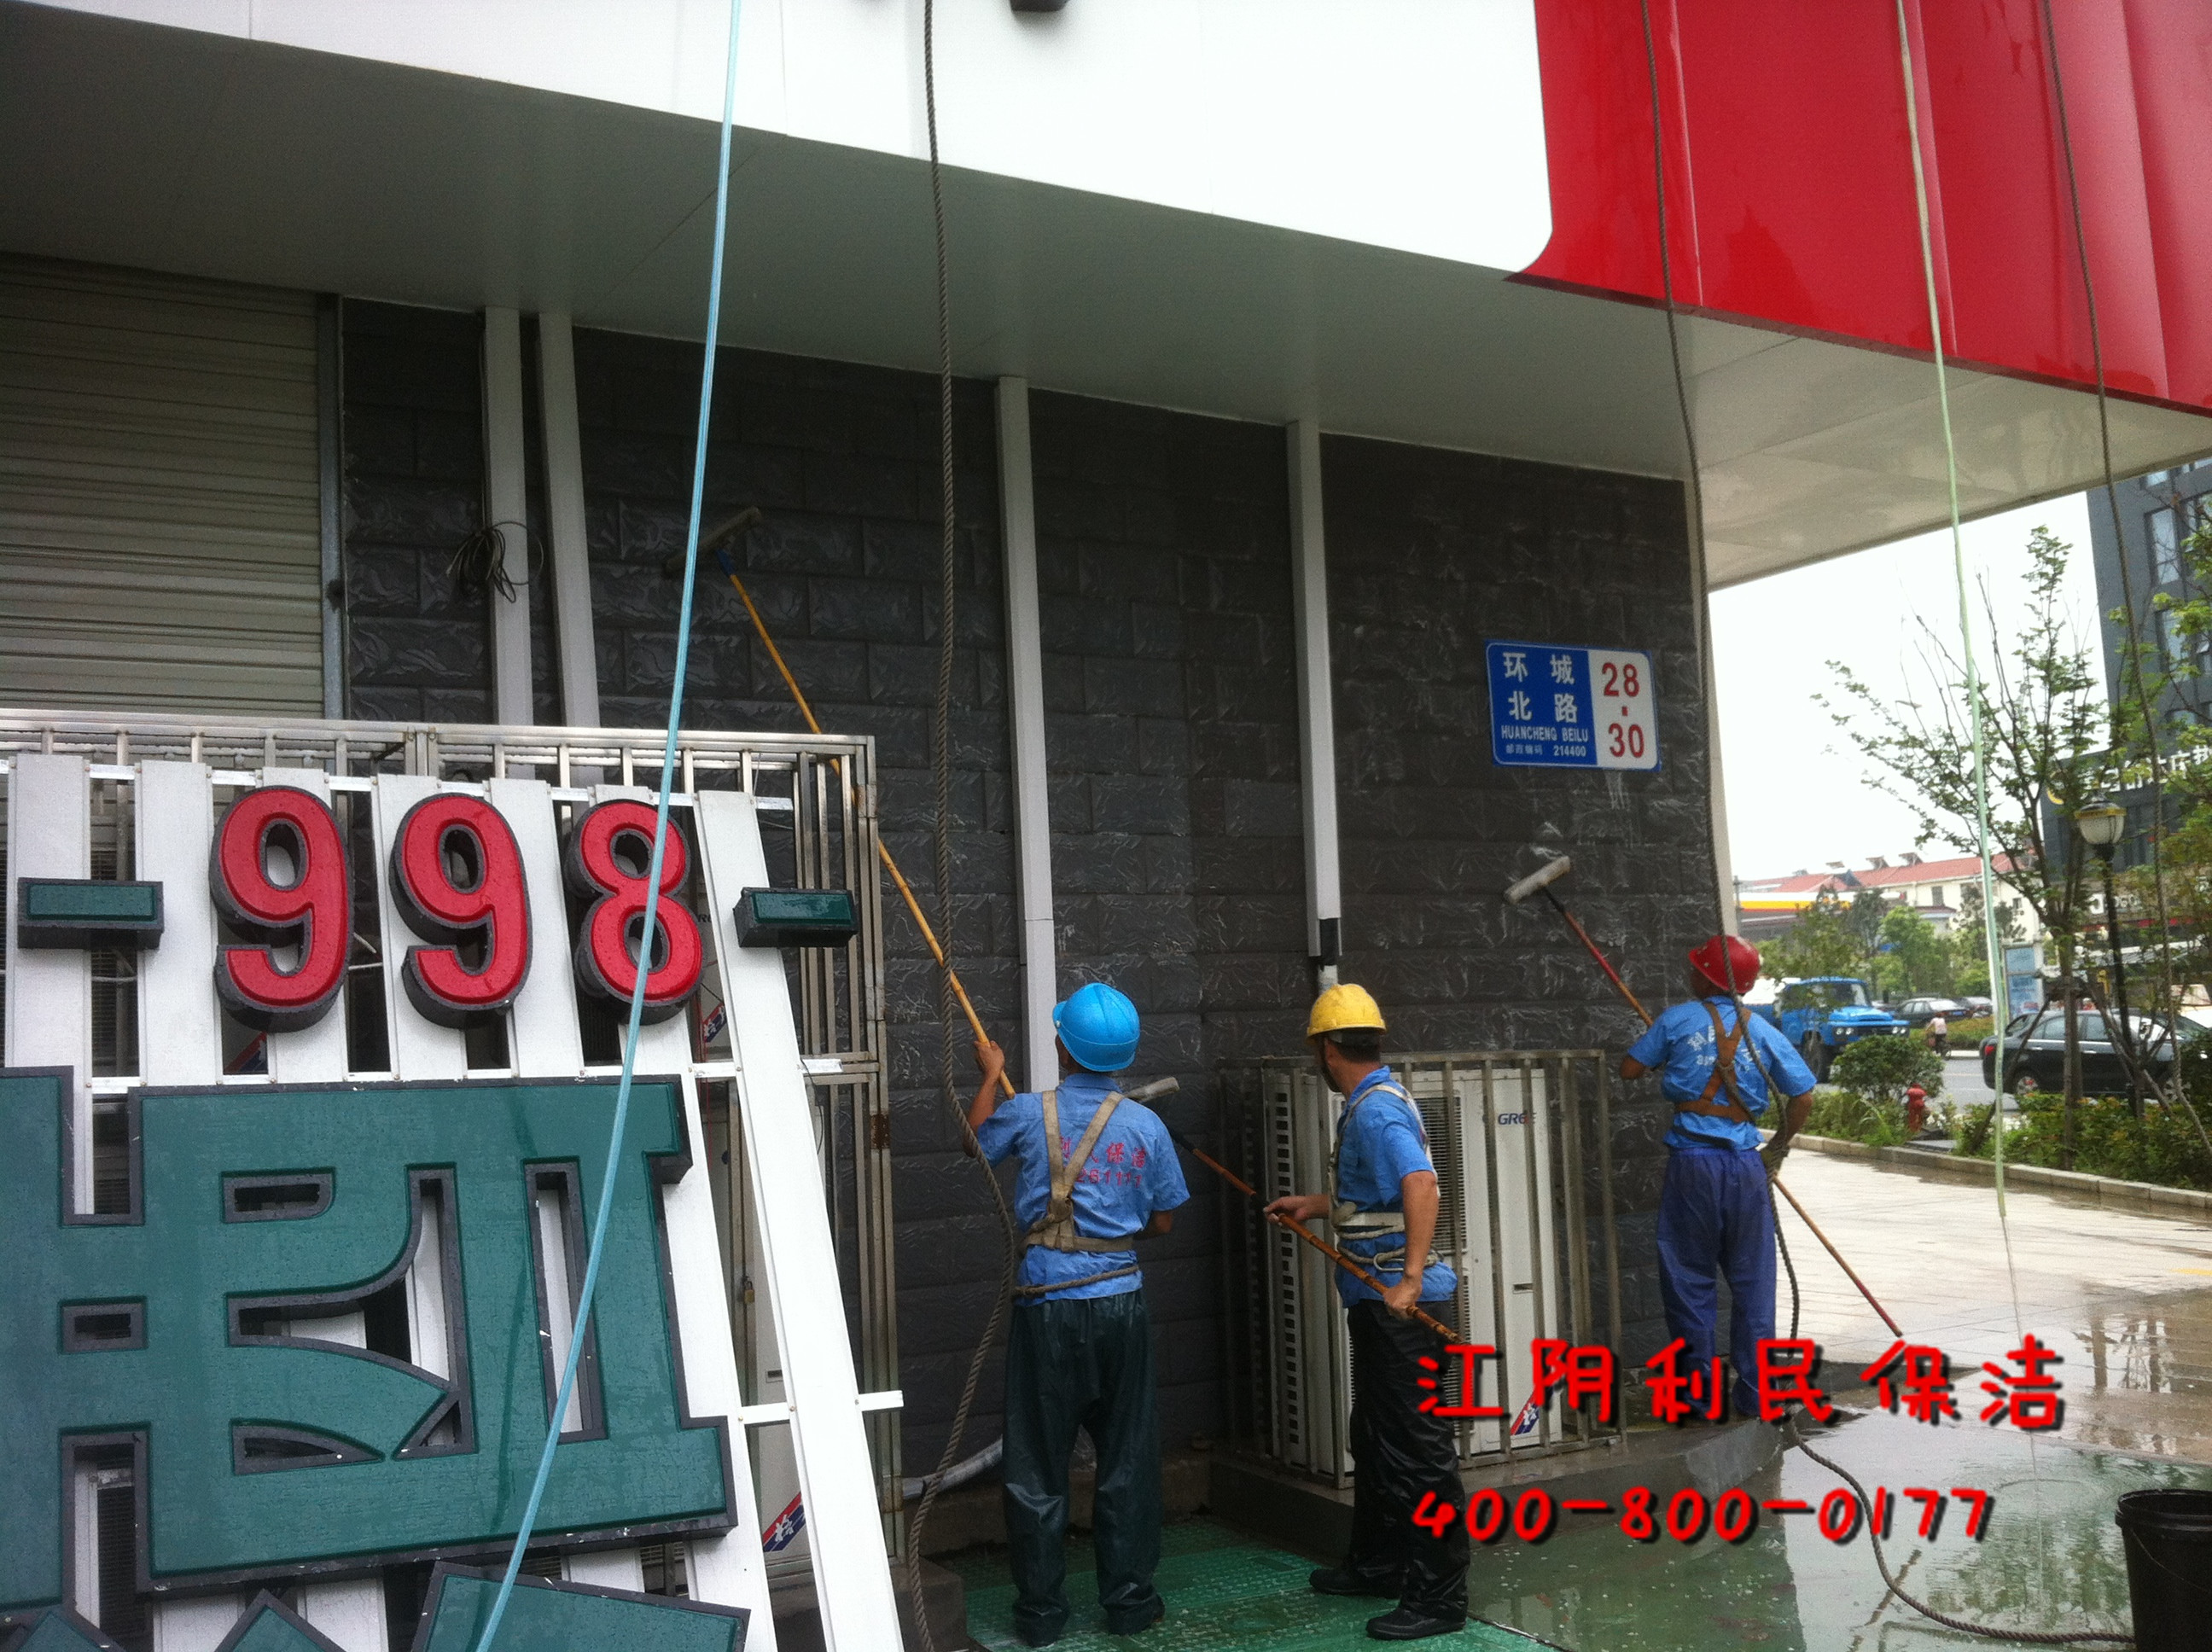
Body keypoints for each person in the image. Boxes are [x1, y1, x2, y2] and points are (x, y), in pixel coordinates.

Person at [969, 981, 1190, 1646]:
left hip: (1048, 1308)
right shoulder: (1146, 1126)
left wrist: (991, 1074)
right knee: (1128, 1455)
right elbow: (1163, 1220)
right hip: (1120, 1302)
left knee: (1038, 1462)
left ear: (1063, 1049)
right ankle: (1130, 1603)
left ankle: (1040, 1617)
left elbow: (976, 1143)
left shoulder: (1026, 1112)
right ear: (1124, 1055)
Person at [1263, 984, 1469, 1643]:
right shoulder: (1376, 1099)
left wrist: (1410, 1278)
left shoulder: (1376, 1112)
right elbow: (1376, 1196)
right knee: (1376, 1440)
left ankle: (1440, 1599)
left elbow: (1421, 1184)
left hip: (1400, 1307)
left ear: (1328, 1049)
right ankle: (1379, 1564)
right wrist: (1316, 1205)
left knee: (1417, 1452)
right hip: (1378, 1302)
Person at [1618, 934, 1818, 1419]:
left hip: (1693, 1165)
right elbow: (1803, 1097)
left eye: (1695, 968)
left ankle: (1697, 1401)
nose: (1689, 973)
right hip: (1746, 1167)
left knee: (1689, 1283)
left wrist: (1669, 1057)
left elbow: (1629, 1069)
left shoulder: (1677, 1020)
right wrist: (1776, 1148)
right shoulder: (1762, 1030)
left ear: (1705, 977)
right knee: (1754, 1286)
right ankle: (1757, 1397)